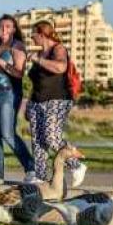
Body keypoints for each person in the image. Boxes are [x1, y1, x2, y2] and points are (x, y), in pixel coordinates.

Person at [26, 20, 87, 186]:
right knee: (38, 140)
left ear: (42, 34)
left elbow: (60, 68)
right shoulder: (40, 54)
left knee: (51, 137)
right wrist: (29, 103)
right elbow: (37, 82)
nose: (31, 37)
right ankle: (41, 176)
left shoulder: (58, 49)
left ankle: (77, 165)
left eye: (33, 34)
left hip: (58, 100)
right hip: (36, 101)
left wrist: (38, 60)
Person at [0, 14, 36, 186]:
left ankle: (31, 168)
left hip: (9, 95)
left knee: (7, 134)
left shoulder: (17, 47)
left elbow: (19, 73)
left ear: (14, 29)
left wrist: (1, 63)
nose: (4, 30)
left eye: (8, 26)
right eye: (1, 26)